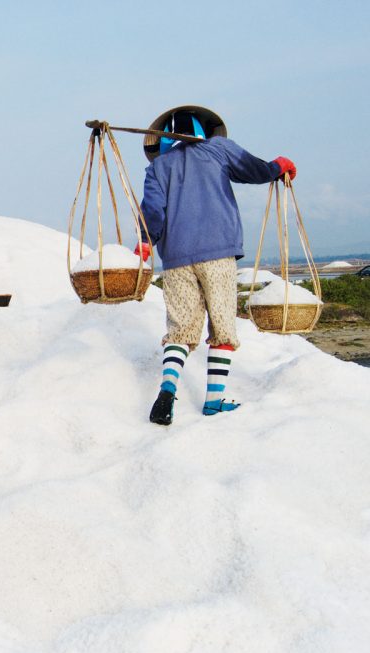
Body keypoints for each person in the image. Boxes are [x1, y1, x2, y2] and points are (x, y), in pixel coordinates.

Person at [138, 105, 296, 426]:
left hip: (177, 259)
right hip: (218, 252)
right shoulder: (218, 150)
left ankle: (168, 388)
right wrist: (280, 165)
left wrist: (145, 241)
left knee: (180, 330)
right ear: (201, 130)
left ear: (168, 139)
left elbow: (152, 212)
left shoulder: (158, 169)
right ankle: (213, 400)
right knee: (222, 325)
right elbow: (256, 170)